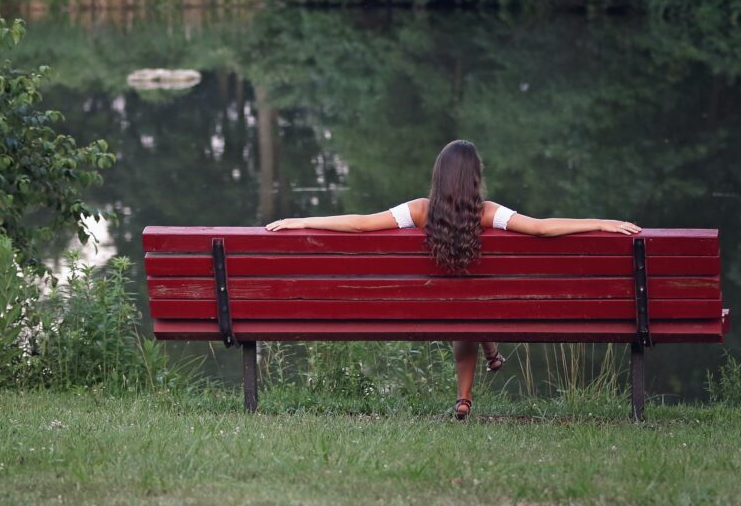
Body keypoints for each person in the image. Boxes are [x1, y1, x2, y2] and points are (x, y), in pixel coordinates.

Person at [265, 139, 640, 420]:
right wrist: (600, 223)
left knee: (462, 305)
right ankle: (473, 381)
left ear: (438, 176)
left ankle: (472, 384)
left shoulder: (419, 210)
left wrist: (301, 220)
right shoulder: (488, 213)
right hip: (477, 306)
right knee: (471, 306)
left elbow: (361, 224)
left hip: (433, 306)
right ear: (475, 177)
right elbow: (541, 229)